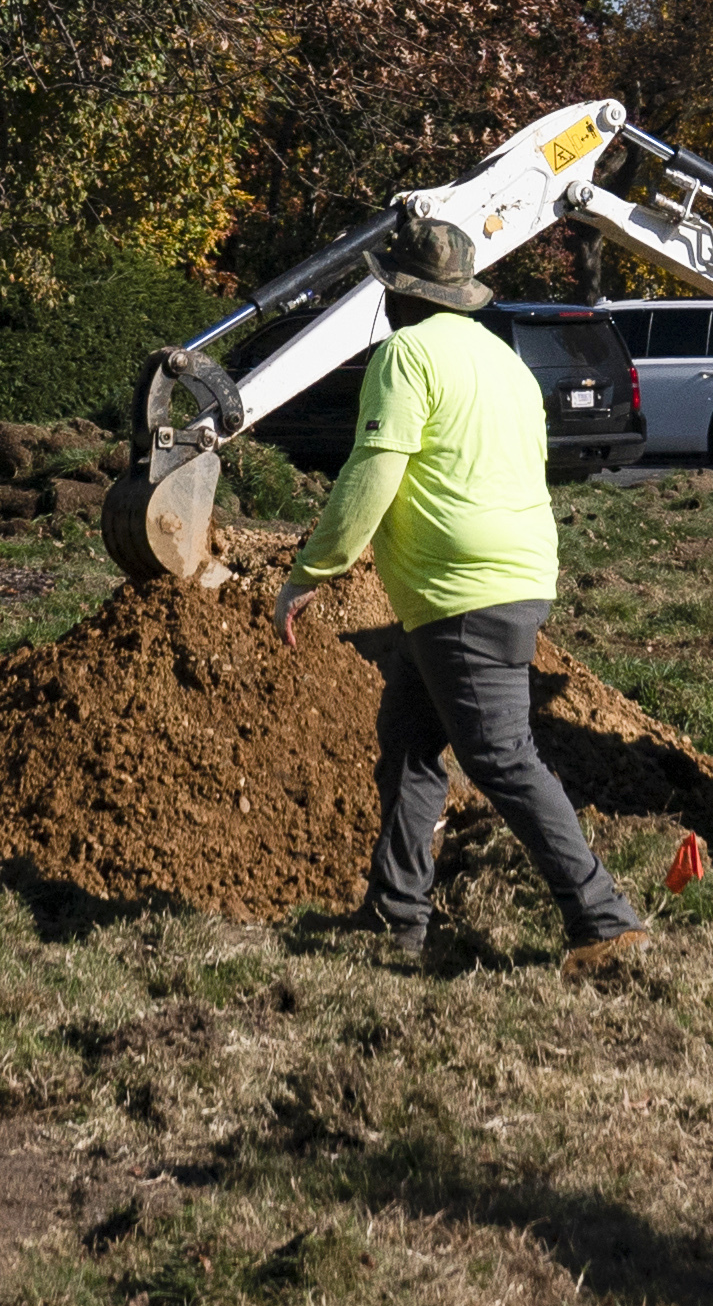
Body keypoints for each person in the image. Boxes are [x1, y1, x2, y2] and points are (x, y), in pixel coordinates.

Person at [274, 217, 645, 974]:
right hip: (514, 575)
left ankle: (604, 920)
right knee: (410, 748)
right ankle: (395, 917)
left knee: (501, 756)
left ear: (397, 293)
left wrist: (314, 571)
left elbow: (374, 469)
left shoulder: (405, 354)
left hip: (461, 592)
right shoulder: (504, 361)